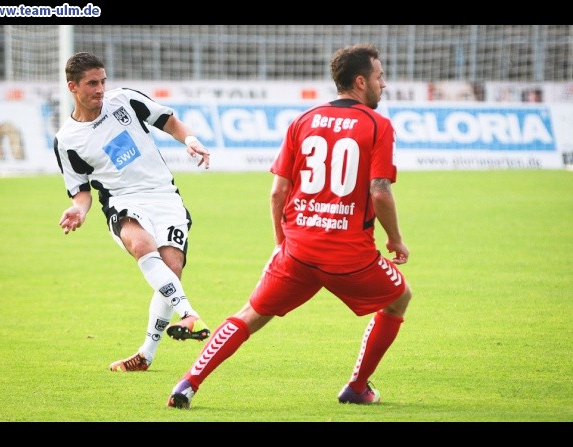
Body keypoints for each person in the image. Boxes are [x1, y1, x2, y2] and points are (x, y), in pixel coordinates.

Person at [166, 43, 413, 408]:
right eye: (380, 77)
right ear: (361, 82)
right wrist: (395, 239)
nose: (384, 84)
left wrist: (282, 243)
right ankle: (357, 386)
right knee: (399, 299)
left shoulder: (304, 120)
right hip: (351, 257)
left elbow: (277, 192)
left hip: (297, 251)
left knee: (250, 315)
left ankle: (187, 383)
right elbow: (380, 192)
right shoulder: (379, 125)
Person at [54, 52, 212, 373]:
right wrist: (78, 210)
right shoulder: (66, 140)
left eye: (102, 81)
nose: (100, 89)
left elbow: (169, 122)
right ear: (73, 87)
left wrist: (191, 140)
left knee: (171, 268)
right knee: (141, 245)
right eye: (91, 84)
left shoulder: (124, 100)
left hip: (164, 195)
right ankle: (189, 314)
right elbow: (81, 192)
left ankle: (146, 354)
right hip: (122, 200)